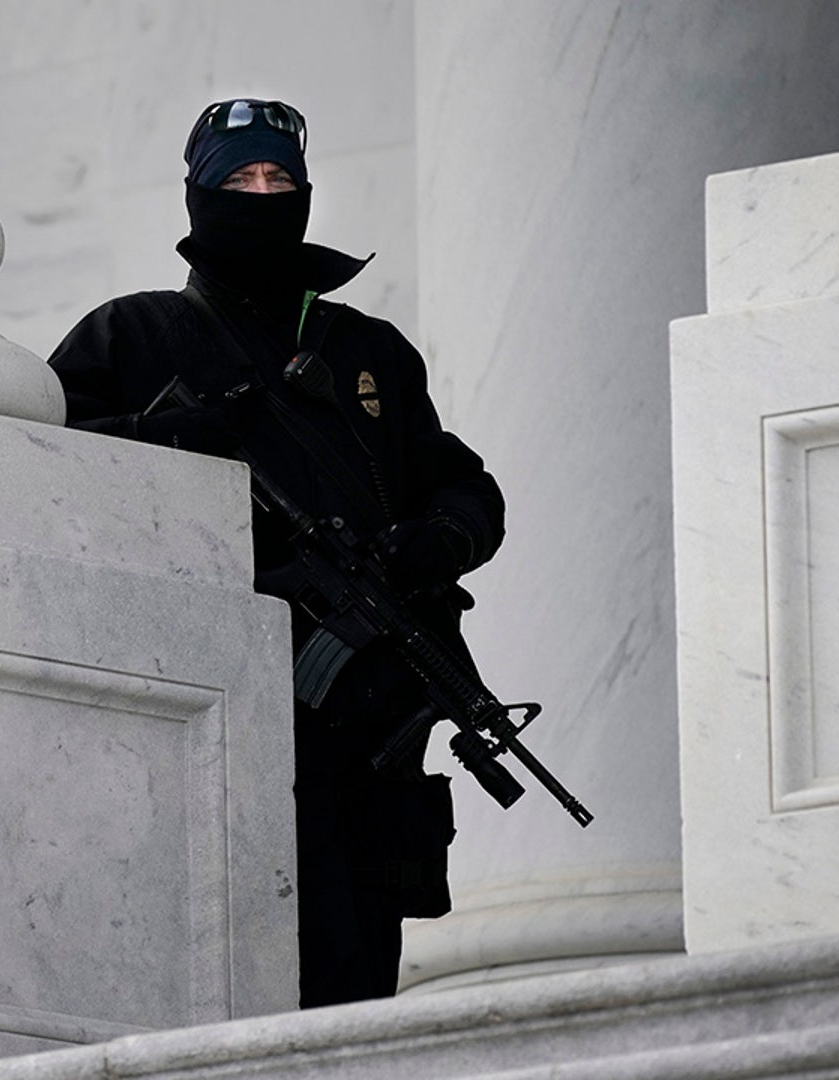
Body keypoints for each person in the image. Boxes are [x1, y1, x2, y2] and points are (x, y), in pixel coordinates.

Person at [46, 98, 506, 1007]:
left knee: (355, 983)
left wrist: (433, 544)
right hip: (208, 712)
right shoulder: (132, 336)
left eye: (278, 179)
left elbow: (468, 488)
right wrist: (158, 439)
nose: (261, 195)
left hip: (368, 729)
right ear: (197, 197)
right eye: (238, 180)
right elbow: (34, 464)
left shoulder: (368, 352)